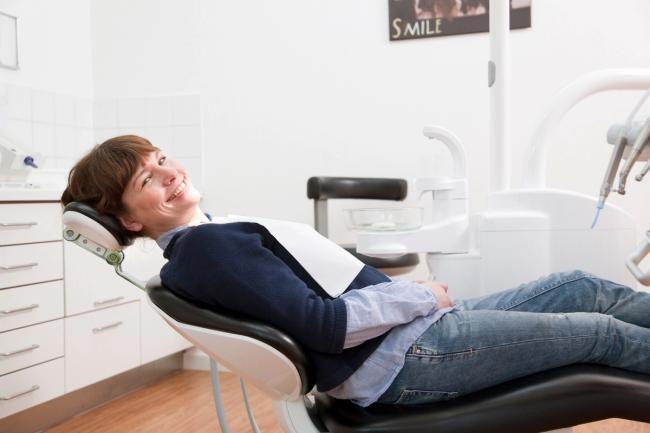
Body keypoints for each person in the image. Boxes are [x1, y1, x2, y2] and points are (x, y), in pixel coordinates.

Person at [61, 135, 650, 407]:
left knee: (579, 286)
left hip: (410, 340)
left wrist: (416, 303)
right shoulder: (205, 249)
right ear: (128, 219)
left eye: (161, 159)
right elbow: (323, 327)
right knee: (599, 334)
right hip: (406, 358)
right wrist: (418, 294)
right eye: (147, 179)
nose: (168, 174)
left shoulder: (204, 241)